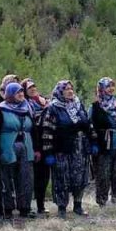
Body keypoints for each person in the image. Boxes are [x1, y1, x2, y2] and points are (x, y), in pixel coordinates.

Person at [42, 80, 94, 216]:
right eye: (66, 89)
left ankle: (78, 206)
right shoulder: (53, 108)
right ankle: (62, 208)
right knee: (62, 179)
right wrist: (48, 153)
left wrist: (93, 141)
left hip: (80, 149)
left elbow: (88, 124)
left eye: (71, 89)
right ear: (59, 92)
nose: (70, 91)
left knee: (80, 178)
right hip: (62, 149)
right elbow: (47, 131)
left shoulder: (78, 104)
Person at [0, 81, 36, 221]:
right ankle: (8, 209)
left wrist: (36, 150)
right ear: (10, 93)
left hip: (26, 147)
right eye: (17, 92)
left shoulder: (27, 108)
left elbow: (34, 130)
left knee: (26, 178)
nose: (20, 94)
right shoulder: (1, 109)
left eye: (21, 92)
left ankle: (25, 208)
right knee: (7, 179)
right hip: (7, 147)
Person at [90, 77, 116, 207]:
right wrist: (93, 143)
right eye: (108, 87)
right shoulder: (95, 106)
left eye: (112, 86)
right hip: (103, 145)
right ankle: (102, 201)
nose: (111, 89)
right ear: (102, 89)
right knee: (103, 174)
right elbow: (90, 125)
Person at [23, 79, 51, 215]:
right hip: (33, 142)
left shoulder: (45, 102)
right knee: (32, 176)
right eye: (29, 87)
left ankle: (41, 204)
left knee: (45, 176)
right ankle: (28, 205)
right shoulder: (25, 105)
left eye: (34, 86)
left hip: (48, 142)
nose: (33, 88)